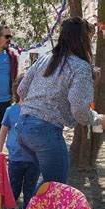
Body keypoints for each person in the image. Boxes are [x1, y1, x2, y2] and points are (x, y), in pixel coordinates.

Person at [16, 17, 105, 184]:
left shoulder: (45, 58)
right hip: (45, 131)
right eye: (90, 38)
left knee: (44, 187)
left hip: (23, 127)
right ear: (82, 39)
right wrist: (97, 119)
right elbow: (79, 110)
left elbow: (21, 89)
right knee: (54, 188)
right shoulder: (80, 67)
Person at [0, 74, 40, 209]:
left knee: (30, 192)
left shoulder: (37, 112)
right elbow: (3, 130)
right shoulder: (11, 110)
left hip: (34, 160)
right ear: (18, 90)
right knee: (13, 191)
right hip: (15, 159)